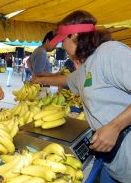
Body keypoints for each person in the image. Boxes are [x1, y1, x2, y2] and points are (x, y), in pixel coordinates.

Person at [31, 10, 131, 182]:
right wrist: (38, 79)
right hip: (113, 163)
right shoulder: (87, 66)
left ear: (75, 35)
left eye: (63, 40)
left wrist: (115, 126)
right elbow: (67, 80)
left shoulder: (109, 52)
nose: (61, 46)